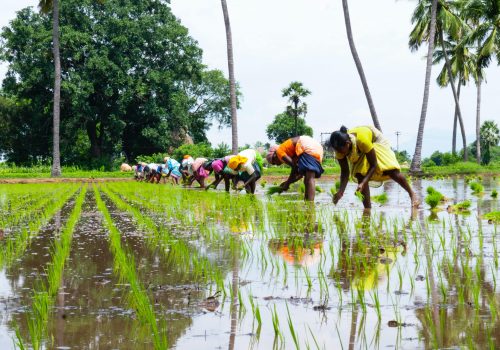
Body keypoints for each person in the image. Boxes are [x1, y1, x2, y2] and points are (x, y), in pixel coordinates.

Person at [329, 125, 419, 208]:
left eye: (340, 150)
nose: (339, 153)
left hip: (375, 140)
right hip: (359, 149)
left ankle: (412, 194)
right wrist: (341, 192)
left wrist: (363, 183)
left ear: (348, 143)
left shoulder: (362, 140)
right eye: (337, 150)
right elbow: (345, 172)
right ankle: (368, 209)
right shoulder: (339, 150)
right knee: (359, 174)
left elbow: (374, 164)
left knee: (389, 170)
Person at [266, 135, 324, 201]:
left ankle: (310, 205)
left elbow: (294, 167)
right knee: (307, 179)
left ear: (275, 155)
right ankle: (307, 202)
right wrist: (287, 183)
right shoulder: (294, 154)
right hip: (317, 147)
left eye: (274, 162)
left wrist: (287, 184)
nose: (276, 164)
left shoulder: (279, 151)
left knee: (310, 178)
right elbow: (299, 174)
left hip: (306, 145)